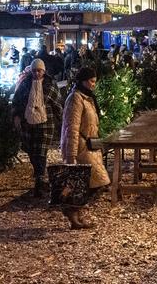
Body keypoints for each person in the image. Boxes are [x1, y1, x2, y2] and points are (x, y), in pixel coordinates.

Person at [60, 67, 110, 229]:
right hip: (81, 147)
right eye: (91, 81)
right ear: (83, 81)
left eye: (95, 81)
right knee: (91, 182)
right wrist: (70, 154)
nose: (94, 84)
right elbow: (71, 127)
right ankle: (72, 211)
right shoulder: (76, 98)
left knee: (90, 182)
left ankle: (75, 212)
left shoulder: (87, 97)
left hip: (90, 145)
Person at [12, 58, 63, 196]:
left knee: (40, 151)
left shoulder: (50, 85)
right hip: (27, 122)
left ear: (44, 71)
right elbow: (17, 101)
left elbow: (57, 103)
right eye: (34, 70)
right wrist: (16, 115)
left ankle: (40, 180)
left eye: (39, 70)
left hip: (46, 122)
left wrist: (61, 121)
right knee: (31, 150)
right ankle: (39, 175)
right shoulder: (25, 85)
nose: (36, 73)